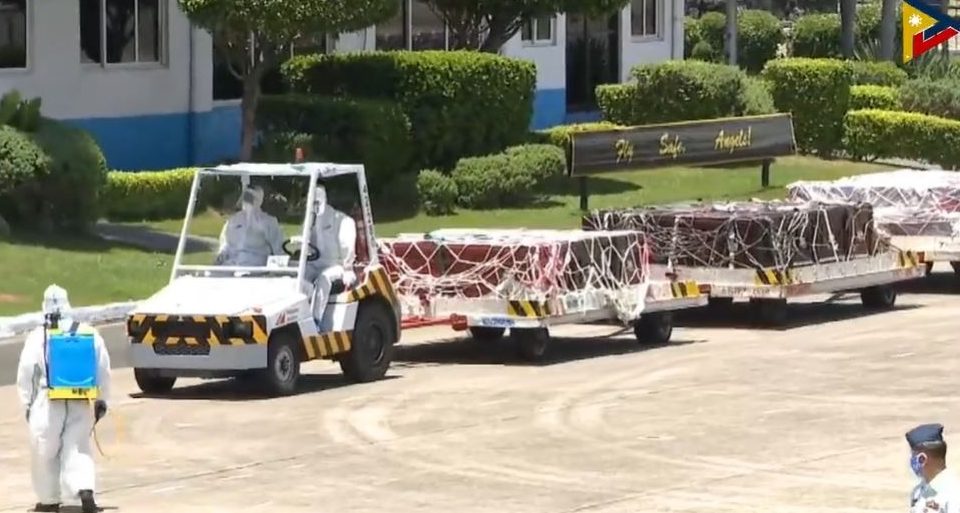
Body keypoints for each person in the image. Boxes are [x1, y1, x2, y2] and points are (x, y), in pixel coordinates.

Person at [16, 285, 112, 513]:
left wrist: (28, 404)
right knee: (78, 447)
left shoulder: (38, 337)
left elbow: (27, 374)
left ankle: (49, 500)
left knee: (44, 451)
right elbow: (102, 369)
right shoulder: (89, 332)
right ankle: (83, 490)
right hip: (80, 399)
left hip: (48, 401)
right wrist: (101, 400)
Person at [305, 184, 357, 319]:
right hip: (314, 263)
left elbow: (347, 247)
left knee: (323, 279)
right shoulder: (310, 219)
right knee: (298, 278)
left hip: (335, 265)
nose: (314, 205)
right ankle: (301, 315)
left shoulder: (341, 220)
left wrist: (348, 268)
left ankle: (315, 319)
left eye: (317, 202)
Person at [215, 185, 285, 267]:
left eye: (251, 198)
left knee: (243, 272)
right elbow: (226, 243)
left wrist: (280, 266)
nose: (248, 202)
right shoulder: (234, 220)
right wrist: (222, 254)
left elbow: (278, 248)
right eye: (246, 198)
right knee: (209, 273)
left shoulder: (268, 222)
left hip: (254, 265)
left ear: (259, 200)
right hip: (232, 263)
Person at [907, 423, 960, 513]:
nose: (911, 460)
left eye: (913, 455)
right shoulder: (918, 491)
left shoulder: (954, 493)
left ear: (922, 459)